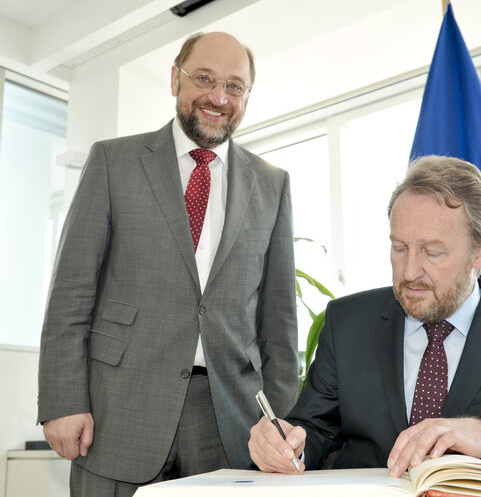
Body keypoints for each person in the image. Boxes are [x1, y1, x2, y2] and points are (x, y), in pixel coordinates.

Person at [248, 155, 481, 491]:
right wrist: (287, 445)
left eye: (433, 252)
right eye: (399, 247)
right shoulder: (348, 322)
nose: (410, 270)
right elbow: (314, 431)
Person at [38, 31, 299, 496]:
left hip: (232, 426)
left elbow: (278, 320)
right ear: (176, 79)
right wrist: (63, 400)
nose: (218, 97)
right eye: (205, 78)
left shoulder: (272, 184)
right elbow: (71, 293)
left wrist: (281, 422)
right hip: (117, 413)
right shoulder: (112, 162)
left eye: (235, 86)